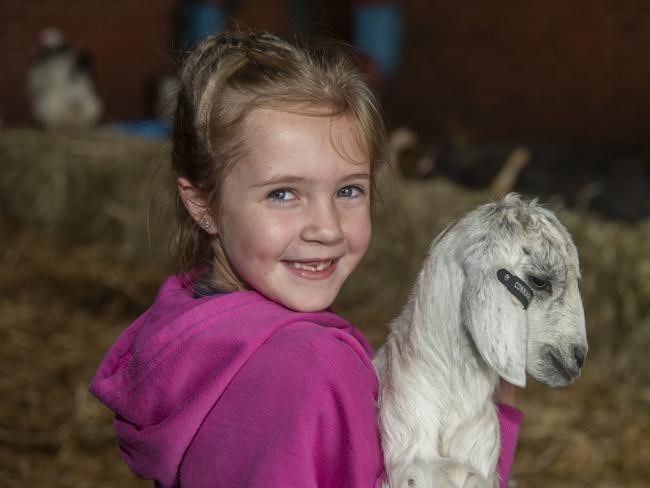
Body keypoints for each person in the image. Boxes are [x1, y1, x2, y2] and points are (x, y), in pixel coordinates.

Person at [90, 30, 523, 488]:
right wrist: (490, 418)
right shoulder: (313, 366)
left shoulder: (185, 326)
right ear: (203, 205)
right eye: (283, 193)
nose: (328, 227)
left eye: (348, 190)